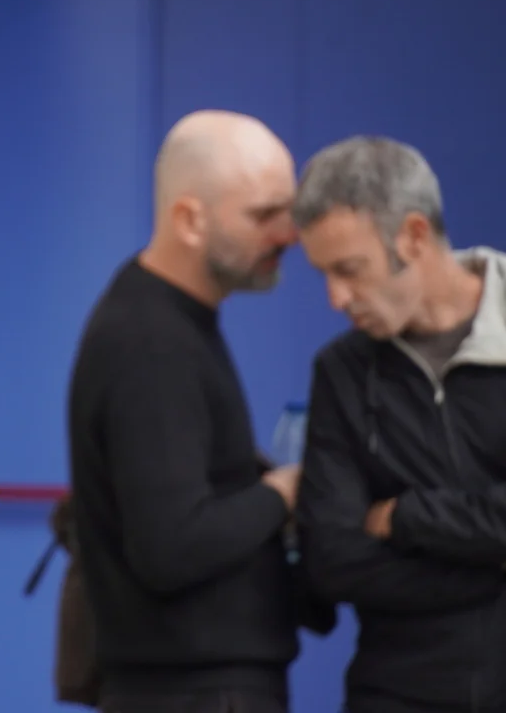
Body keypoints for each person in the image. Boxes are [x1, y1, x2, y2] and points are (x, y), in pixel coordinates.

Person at [67, 109, 312, 713]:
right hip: (194, 692)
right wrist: (282, 492)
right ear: (188, 220)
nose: (289, 234)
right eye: (264, 215)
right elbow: (170, 547)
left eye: (290, 211)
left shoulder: (168, 322)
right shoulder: (150, 343)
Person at [294, 135, 506, 713]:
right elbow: (333, 560)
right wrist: (490, 571)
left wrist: (407, 517)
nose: (336, 298)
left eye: (349, 270)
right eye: (323, 275)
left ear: (414, 236)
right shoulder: (340, 372)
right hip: (396, 694)